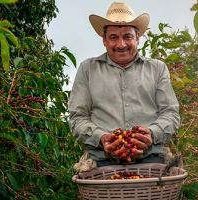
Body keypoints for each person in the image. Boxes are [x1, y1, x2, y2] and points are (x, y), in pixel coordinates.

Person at [68, 1, 180, 167]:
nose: (121, 45)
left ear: (137, 38)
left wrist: (152, 134)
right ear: (104, 40)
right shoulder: (88, 69)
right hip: (102, 162)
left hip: (151, 161)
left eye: (127, 37)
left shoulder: (157, 69)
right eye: (113, 38)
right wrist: (101, 137)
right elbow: (77, 117)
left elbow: (171, 113)